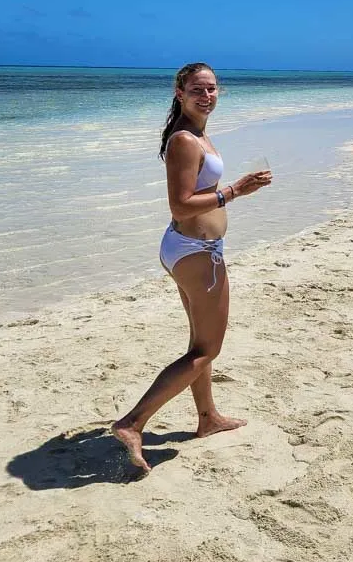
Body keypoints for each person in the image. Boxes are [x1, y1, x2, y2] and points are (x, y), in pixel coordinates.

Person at [112, 62, 272, 472]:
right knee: (208, 348)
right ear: (179, 93)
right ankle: (132, 423)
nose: (207, 96)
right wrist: (236, 191)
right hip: (196, 253)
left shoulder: (197, 133)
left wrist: (231, 191)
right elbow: (180, 204)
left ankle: (207, 418)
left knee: (199, 342)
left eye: (213, 89)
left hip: (189, 249)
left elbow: (198, 193)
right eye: (198, 89)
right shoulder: (185, 139)